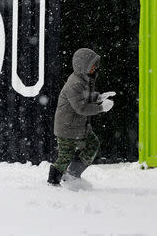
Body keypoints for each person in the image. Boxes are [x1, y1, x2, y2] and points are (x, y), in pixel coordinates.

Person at [47, 48, 115, 186]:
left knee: (93, 144)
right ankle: (52, 183)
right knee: (65, 157)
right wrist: (101, 108)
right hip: (67, 128)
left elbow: (85, 97)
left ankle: (72, 175)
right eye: (93, 65)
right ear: (83, 65)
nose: (95, 68)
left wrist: (99, 97)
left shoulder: (83, 79)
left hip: (79, 126)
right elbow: (81, 108)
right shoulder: (74, 83)